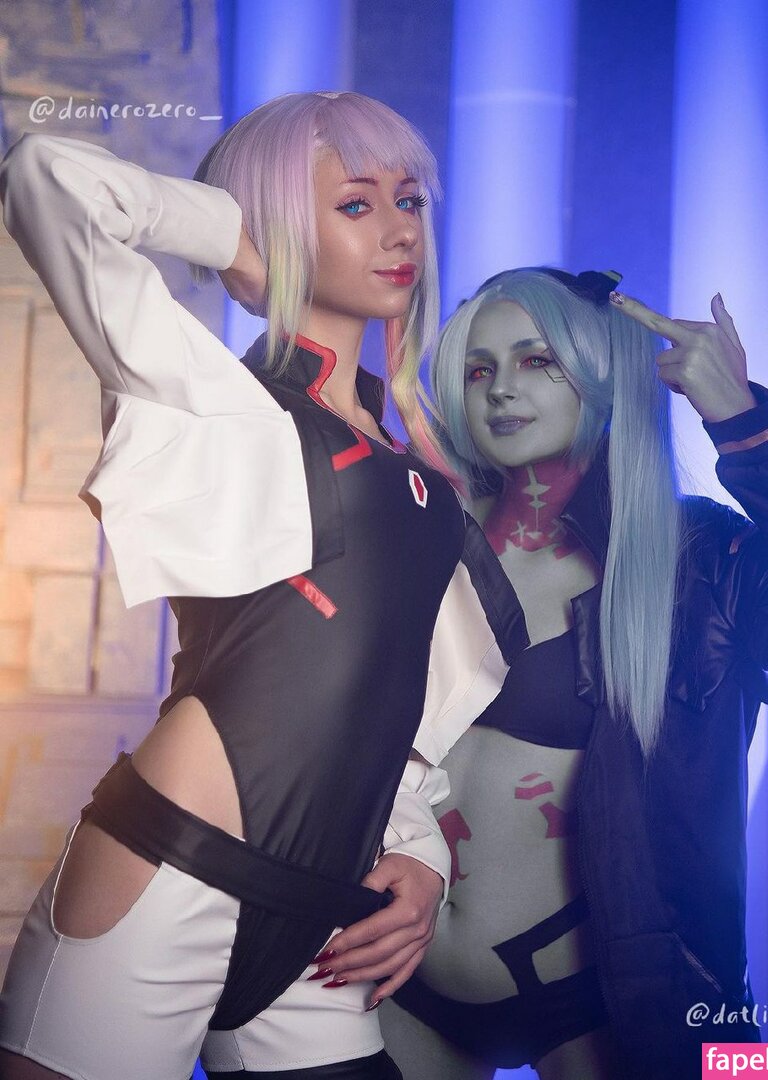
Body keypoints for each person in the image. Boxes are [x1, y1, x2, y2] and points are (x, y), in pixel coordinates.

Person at [0, 93, 523, 1080]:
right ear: (277, 221)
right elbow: (44, 179)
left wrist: (420, 853)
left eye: (409, 199)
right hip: (168, 873)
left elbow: (401, 698)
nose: (399, 229)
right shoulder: (214, 400)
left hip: (326, 916)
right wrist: (233, 238)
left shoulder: (422, 473)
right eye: (355, 204)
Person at [377, 267, 768, 1079]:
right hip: (401, 972)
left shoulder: (693, 563)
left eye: (537, 360)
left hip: (601, 995)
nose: (501, 389)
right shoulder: (420, 533)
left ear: (600, 372)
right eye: (479, 368)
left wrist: (746, 419)